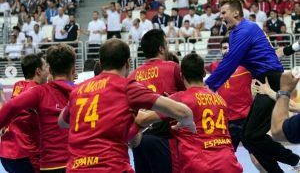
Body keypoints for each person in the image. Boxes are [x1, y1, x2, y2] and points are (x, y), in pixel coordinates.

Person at [59, 38, 195, 172]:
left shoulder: (78, 90)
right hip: (110, 166)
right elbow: (184, 112)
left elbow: (63, 122)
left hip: (76, 167)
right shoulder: (127, 87)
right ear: (128, 63)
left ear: (100, 63)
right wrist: (188, 124)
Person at [205, 0, 300, 173]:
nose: (221, 16)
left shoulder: (246, 29)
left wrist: (209, 86)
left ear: (236, 12)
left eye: (224, 12)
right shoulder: (236, 34)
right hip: (264, 80)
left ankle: (296, 160)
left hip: (271, 80)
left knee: (252, 136)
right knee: (249, 138)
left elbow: (231, 61)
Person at [135, 53, 243, 173]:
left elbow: (141, 120)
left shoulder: (180, 99)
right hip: (229, 164)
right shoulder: (220, 100)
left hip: (199, 165)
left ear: (181, 76)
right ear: (203, 73)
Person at [0, 44, 76, 173]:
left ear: (51, 71)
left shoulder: (34, 90)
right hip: (73, 161)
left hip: (46, 162)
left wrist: (5, 124)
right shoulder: (81, 91)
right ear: (73, 69)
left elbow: (11, 106)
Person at [128, 29, 186, 173]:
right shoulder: (173, 67)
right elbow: (188, 96)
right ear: (161, 48)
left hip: (139, 139)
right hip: (165, 138)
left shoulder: (132, 75)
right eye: (166, 44)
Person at [0, 53, 48, 173]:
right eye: (46, 67)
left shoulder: (18, 86)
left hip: (6, 153)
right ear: (38, 71)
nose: (49, 71)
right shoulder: (38, 91)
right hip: (25, 153)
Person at [205, 37, 252, 151]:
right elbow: (195, 70)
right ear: (221, 50)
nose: (227, 50)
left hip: (247, 119)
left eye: (230, 48)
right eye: (224, 48)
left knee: (257, 155)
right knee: (227, 155)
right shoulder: (215, 66)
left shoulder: (248, 65)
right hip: (226, 121)